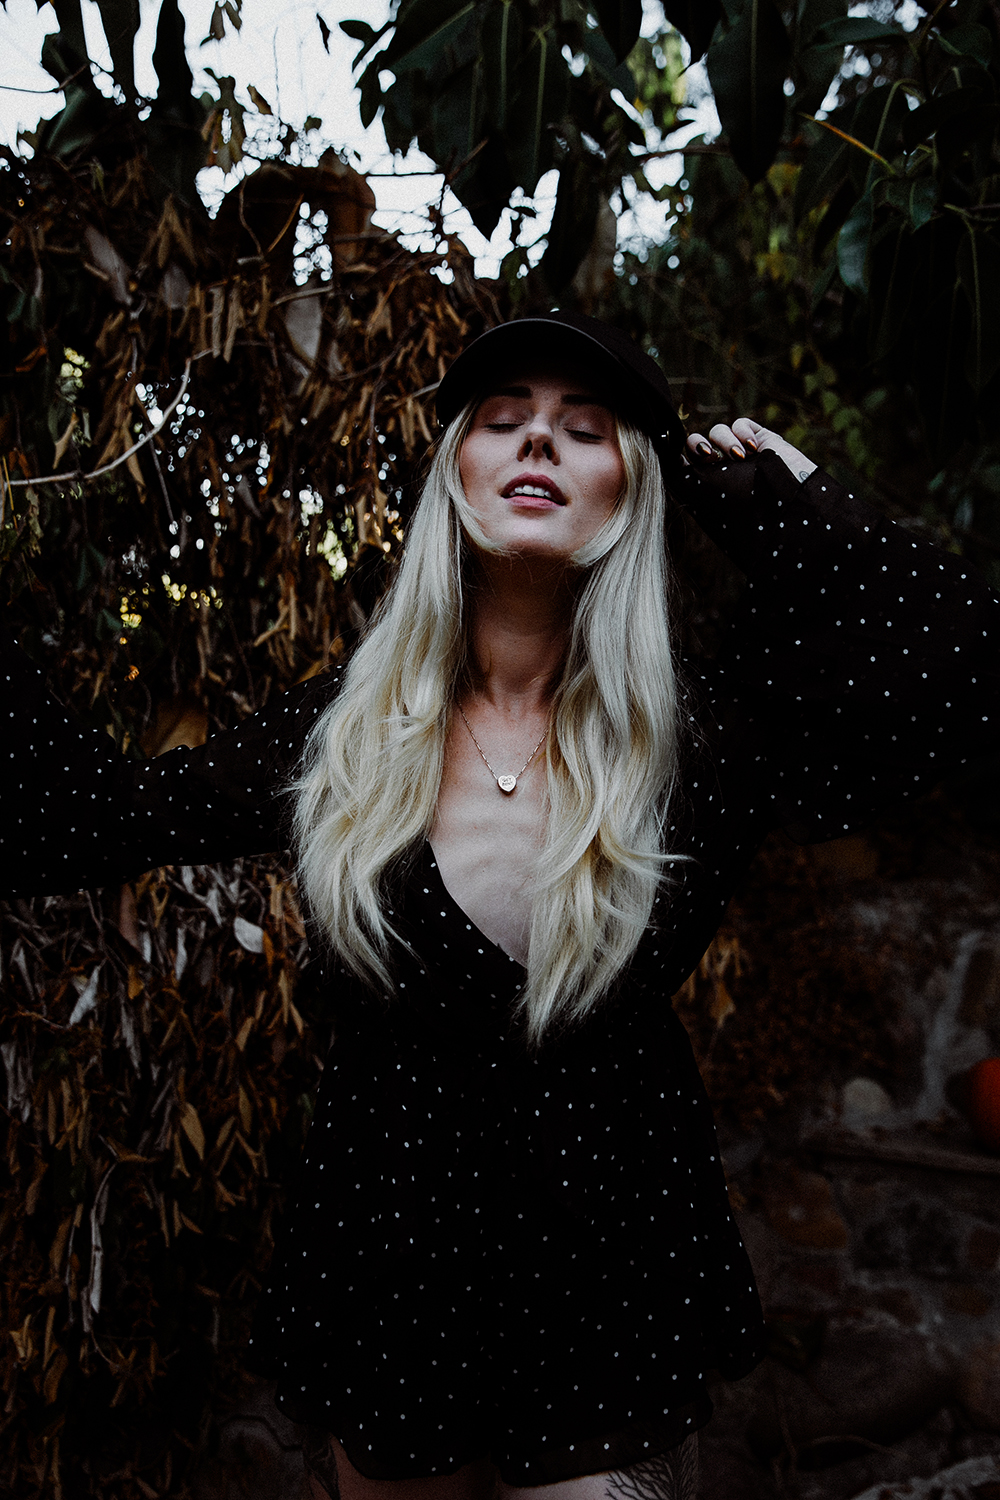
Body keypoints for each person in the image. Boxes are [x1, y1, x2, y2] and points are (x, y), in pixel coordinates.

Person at [3, 312, 999, 1500]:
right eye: (504, 419)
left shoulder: (701, 736)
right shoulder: (348, 732)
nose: (537, 442)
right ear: (456, 472)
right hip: (392, 1260)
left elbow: (961, 668)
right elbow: (86, 814)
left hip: (609, 1260)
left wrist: (783, 509)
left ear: (633, 487)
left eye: (584, 429)